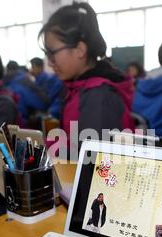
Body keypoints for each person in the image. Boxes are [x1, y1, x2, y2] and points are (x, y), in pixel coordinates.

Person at [39, 2, 134, 158]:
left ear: (80, 50)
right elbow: (76, 142)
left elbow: (94, 161)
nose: (49, 62)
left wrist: (51, 150)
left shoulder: (98, 96)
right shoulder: (77, 87)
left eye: (52, 53)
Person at [3, 60, 48, 126]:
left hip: (8, 123)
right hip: (27, 121)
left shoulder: (7, 83)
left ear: (7, 70)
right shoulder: (24, 80)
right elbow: (41, 102)